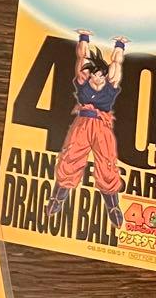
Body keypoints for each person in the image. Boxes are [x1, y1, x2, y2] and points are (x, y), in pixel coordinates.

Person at [45, 30, 130, 227]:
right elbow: (82, 58)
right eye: (95, 75)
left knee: (107, 163)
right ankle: (57, 198)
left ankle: (113, 206)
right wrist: (84, 38)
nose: (98, 79)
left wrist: (120, 45)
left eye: (101, 76)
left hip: (102, 127)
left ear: (105, 76)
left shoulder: (110, 86)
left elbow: (116, 64)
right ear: (90, 75)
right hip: (82, 125)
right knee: (70, 158)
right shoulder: (84, 84)